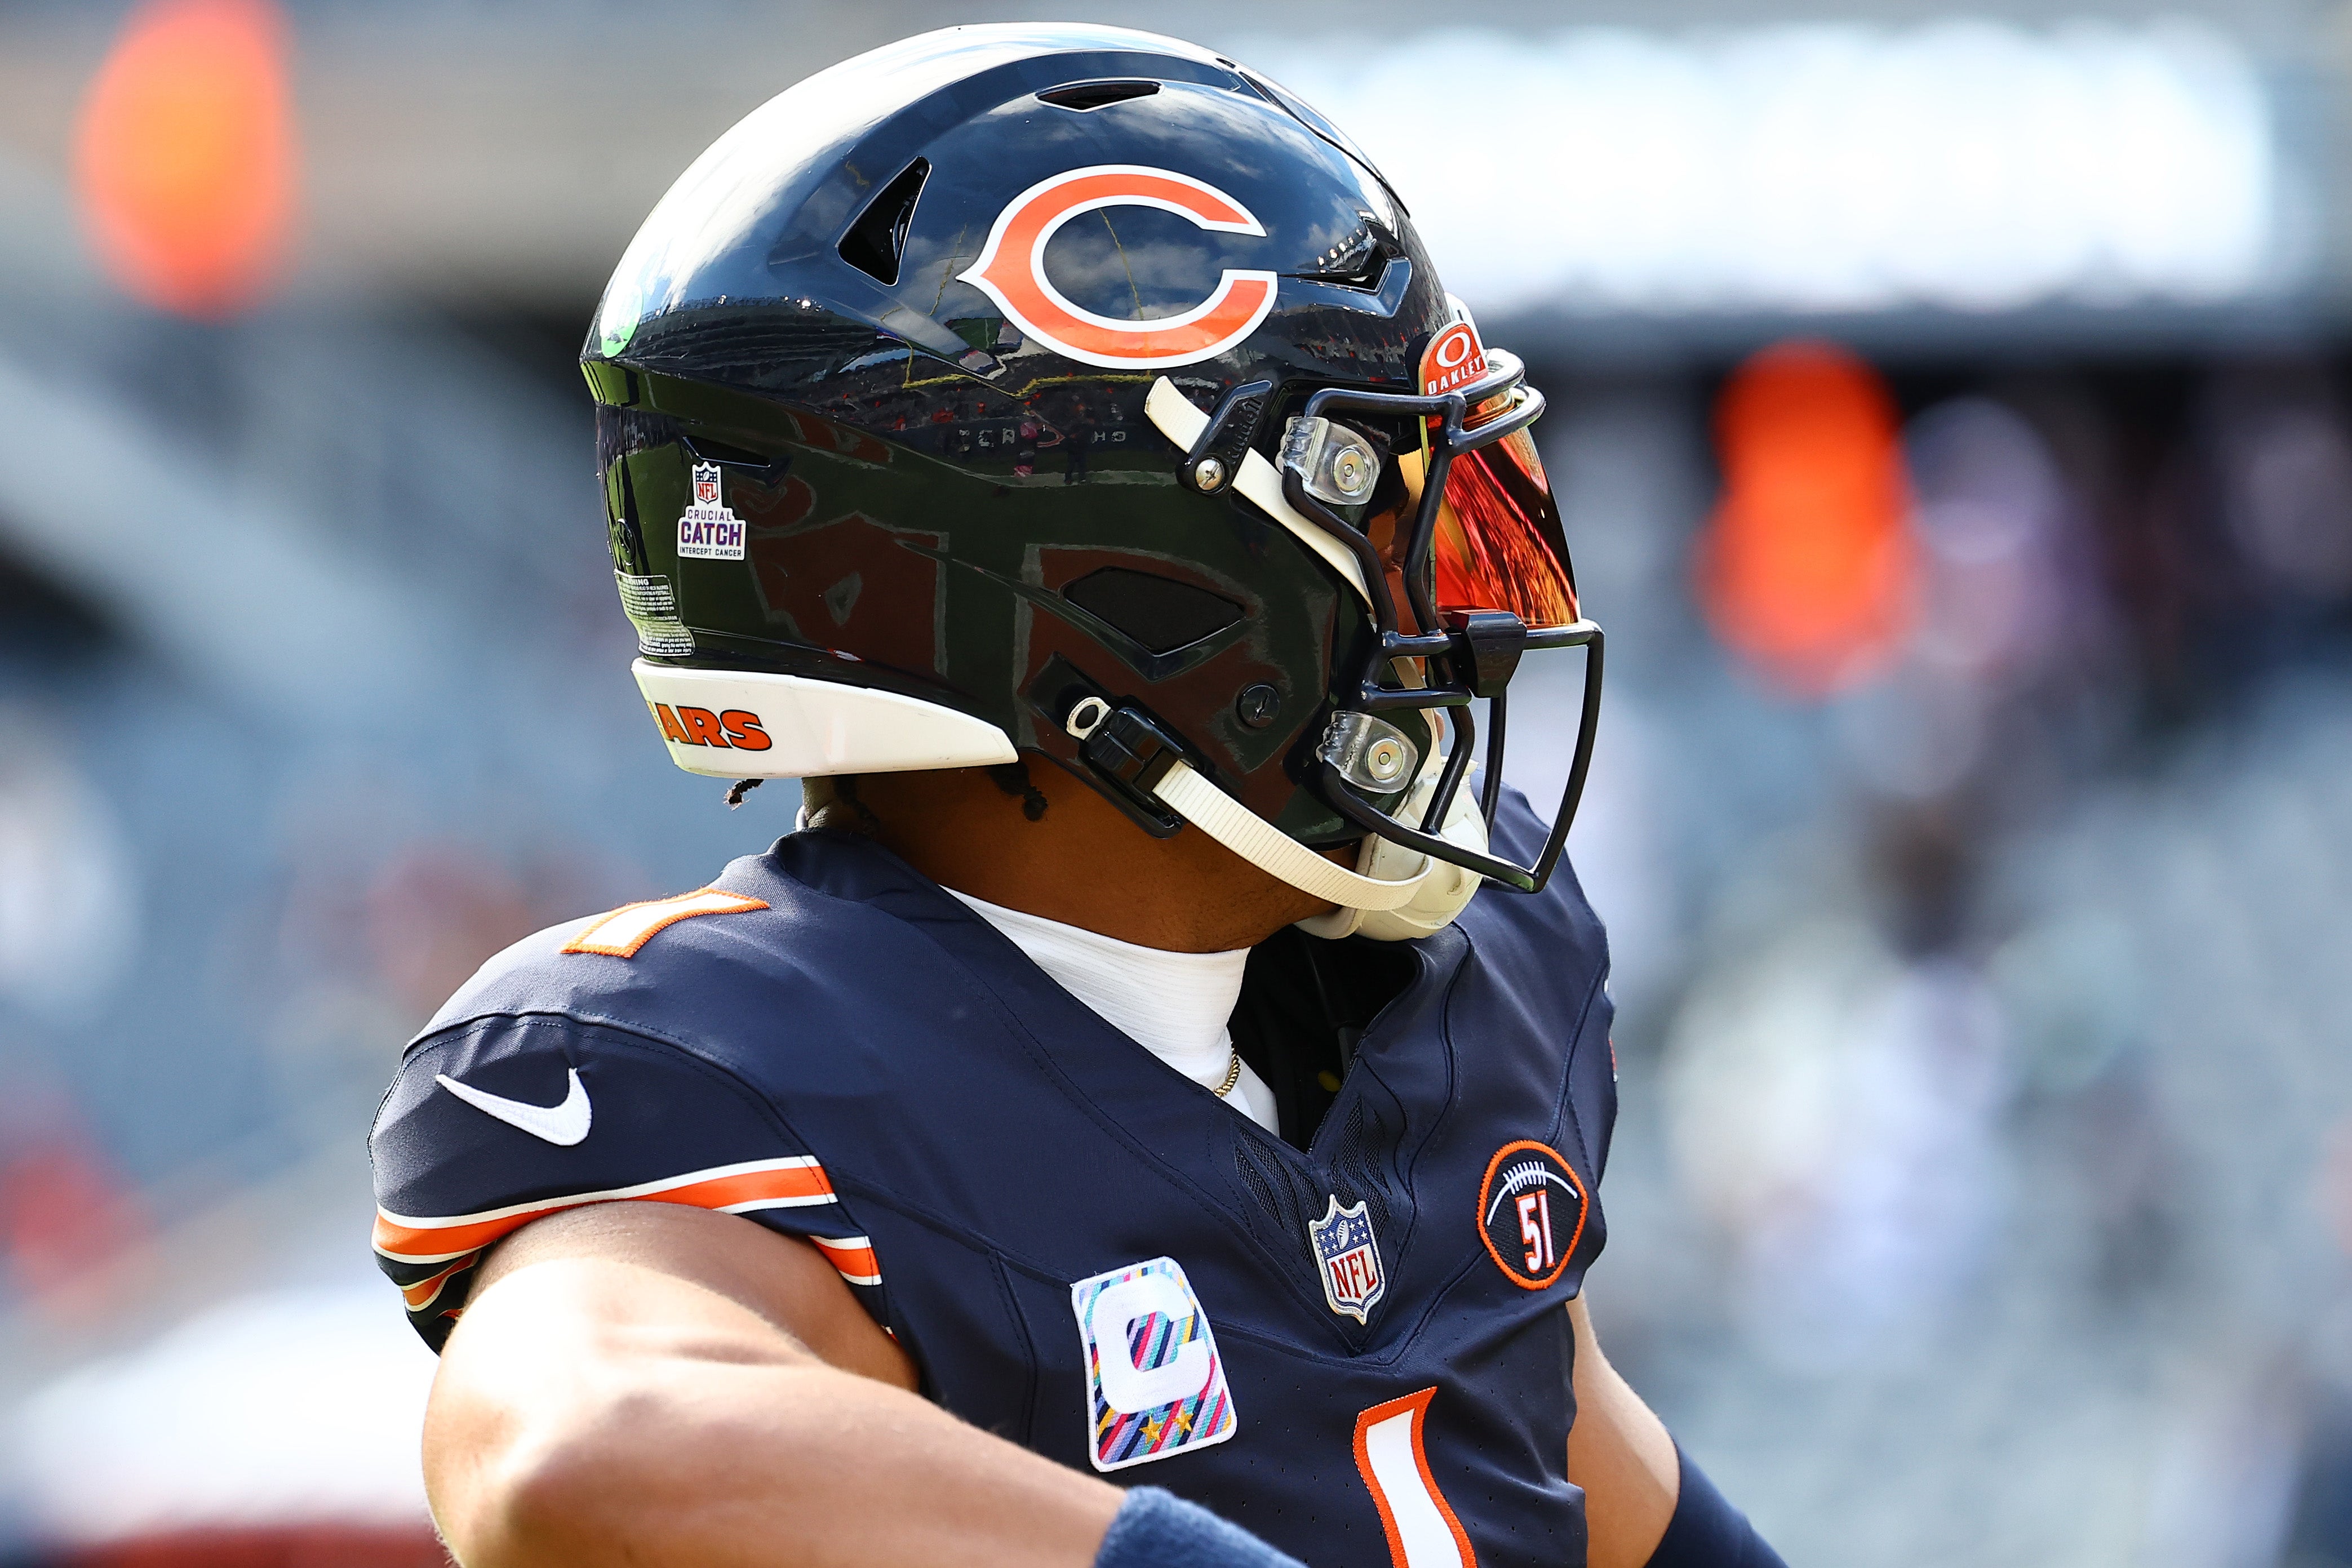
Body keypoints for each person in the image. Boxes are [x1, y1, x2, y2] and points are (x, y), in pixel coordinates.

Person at [370, 23, 1785, 1568]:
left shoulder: (1452, 990)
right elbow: (578, 1446)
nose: (1462, 611)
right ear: (1138, 603)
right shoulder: (737, 1068)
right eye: (1375, 515)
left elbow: (1546, 1443)